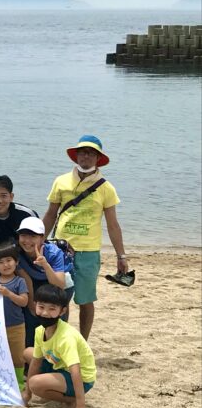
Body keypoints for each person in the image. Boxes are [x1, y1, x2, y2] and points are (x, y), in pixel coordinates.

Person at [42, 135, 129, 341]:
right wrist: (39, 242)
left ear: (98, 158)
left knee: (85, 300)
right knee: (59, 298)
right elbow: (50, 214)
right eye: (82, 152)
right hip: (60, 250)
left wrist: (121, 255)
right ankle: (59, 341)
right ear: (76, 156)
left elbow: (113, 225)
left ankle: (82, 342)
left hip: (89, 252)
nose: (86, 156)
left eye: (91, 153)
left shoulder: (106, 188)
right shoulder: (61, 181)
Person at [23, 284, 96, 408]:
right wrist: (27, 394)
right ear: (35, 305)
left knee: (35, 384)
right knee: (28, 353)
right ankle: (57, 388)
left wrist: (81, 405)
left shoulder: (66, 337)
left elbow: (76, 371)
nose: (45, 313)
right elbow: (36, 361)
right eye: (41, 307)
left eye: (52, 309)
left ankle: (71, 400)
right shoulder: (40, 330)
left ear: (62, 311)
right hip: (60, 366)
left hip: (83, 378)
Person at [16, 217, 74, 348]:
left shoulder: (53, 252)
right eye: (23, 236)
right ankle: (31, 355)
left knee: (55, 316)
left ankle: (59, 349)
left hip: (60, 283)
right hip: (35, 282)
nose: (27, 241)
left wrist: (45, 264)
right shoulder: (17, 252)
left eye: (32, 236)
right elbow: (27, 280)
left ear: (42, 238)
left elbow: (59, 284)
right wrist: (31, 305)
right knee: (32, 316)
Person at [0, 241, 29, 388]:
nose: (6, 265)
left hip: (16, 325)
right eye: (1, 262)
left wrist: (8, 293)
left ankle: (19, 383)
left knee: (17, 356)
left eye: (9, 260)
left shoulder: (19, 281)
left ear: (16, 262)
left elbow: (24, 301)